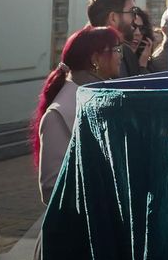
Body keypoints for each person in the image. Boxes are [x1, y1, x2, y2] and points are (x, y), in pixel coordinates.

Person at [32, 27, 121, 203]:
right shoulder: (58, 114)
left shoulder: (99, 96)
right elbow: (52, 189)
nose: (121, 56)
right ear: (95, 58)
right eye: (116, 50)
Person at [85, 0, 141, 78]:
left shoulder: (128, 54)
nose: (135, 18)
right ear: (113, 18)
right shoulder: (86, 58)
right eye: (132, 12)